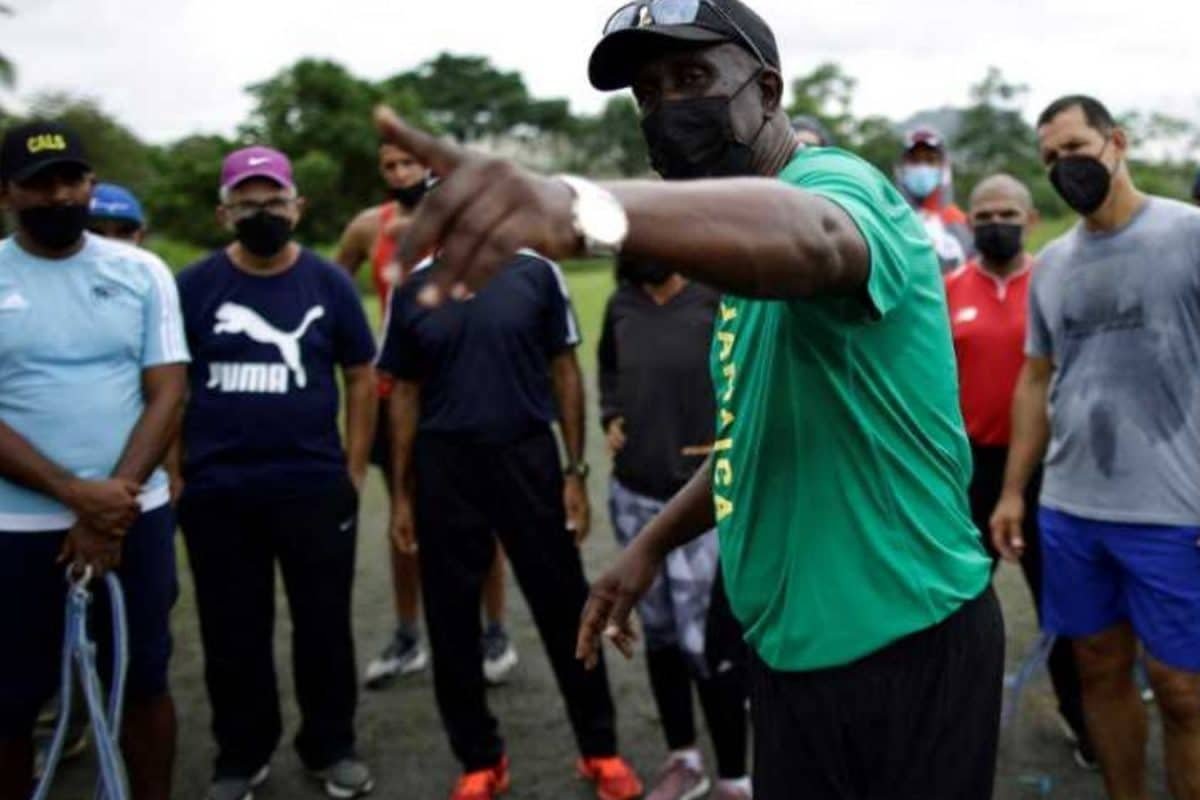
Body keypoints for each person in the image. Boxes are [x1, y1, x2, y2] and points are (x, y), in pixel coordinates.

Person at [369, 0, 1004, 796]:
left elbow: (818, 237)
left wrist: (579, 206)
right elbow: (750, 439)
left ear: (767, 91)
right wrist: (650, 545)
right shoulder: (733, 268)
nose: (669, 107)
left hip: (903, 636)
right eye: (647, 91)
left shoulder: (836, 185)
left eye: (694, 77)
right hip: (792, 649)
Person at [375, 247, 643, 800]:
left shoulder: (534, 272)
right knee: (451, 619)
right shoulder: (412, 286)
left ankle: (600, 750)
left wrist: (574, 470)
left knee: (565, 605)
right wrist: (401, 495)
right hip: (444, 463)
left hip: (526, 456)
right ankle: (480, 759)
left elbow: (564, 368)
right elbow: (402, 392)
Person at [992, 95, 1200, 800]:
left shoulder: (1188, 234)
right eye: (1050, 158)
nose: (1064, 167)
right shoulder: (1052, 266)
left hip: (1175, 512)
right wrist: (1015, 491)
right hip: (1073, 511)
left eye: (1075, 147)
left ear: (1116, 141)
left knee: (1181, 690)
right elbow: (1034, 380)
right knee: (1098, 669)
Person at [172, 146, 377, 800]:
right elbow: (169, 385)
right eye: (247, 203)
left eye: (274, 201)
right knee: (231, 629)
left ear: (298, 206)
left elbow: (361, 376)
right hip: (218, 492)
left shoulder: (328, 283)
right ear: (223, 212)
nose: (262, 213)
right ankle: (241, 755)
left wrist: (352, 468)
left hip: (312, 487)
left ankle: (330, 745)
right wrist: (177, 475)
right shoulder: (195, 286)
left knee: (323, 624)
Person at [0, 121, 189, 800]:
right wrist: (74, 494)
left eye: (71, 180)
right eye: (39, 184)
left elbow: (168, 388)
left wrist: (116, 500)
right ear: (7, 194)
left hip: (133, 516)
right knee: (11, 699)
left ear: (91, 185)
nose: (58, 195)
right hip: (15, 527)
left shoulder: (141, 271)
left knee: (141, 682)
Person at [334, 142, 518, 688]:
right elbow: (332, 288)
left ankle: (495, 629)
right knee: (403, 515)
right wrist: (360, 347)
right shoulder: (370, 227)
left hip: (459, 381)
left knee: (482, 517)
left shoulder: (458, 222)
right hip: (400, 389)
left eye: (406, 164)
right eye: (387, 165)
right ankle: (409, 634)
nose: (397, 173)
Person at [945, 173, 1094, 768]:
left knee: (1061, 605)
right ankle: (951, 725)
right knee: (955, 606)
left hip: (1050, 470)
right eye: (982, 216)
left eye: (1006, 213)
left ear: (1030, 219)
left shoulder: (1056, 283)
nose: (993, 224)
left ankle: (1085, 722)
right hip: (969, 471)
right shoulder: (948, 290)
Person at [599, 254, 751, 800]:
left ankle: (735, 774)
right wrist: (610, 416)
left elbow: (750, 381)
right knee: (660, 635)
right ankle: (683, 757)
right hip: (636, 494)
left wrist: (726, 440)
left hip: (700, 503)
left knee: (709, 643)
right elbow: (610, 371)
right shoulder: (621, 304)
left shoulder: (717, 297)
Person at [896, 126, 972, 271]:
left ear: (943, 166)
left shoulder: (961, 222)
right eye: (914, 160)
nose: (922, 167)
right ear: (902, 166)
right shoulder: (889, 220)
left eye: (930, 160)